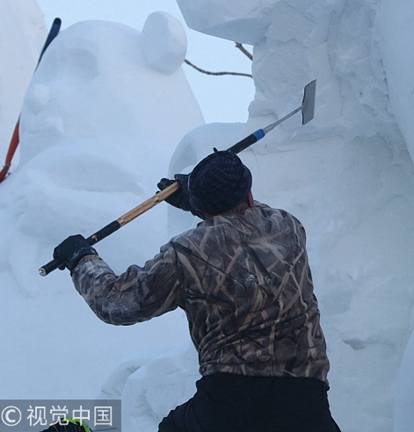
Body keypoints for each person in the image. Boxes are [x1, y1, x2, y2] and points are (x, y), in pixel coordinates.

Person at [53, 150, 340, 432]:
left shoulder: (186, 254)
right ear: (250, 194)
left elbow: (117, 303)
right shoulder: (288, 226)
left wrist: (81, 259)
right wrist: (200, 198)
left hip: (231, 400)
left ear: (201, 211)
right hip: (306, 397)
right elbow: (244, 219)